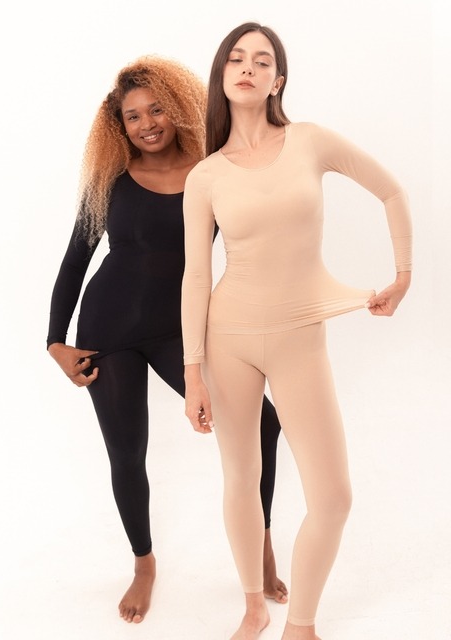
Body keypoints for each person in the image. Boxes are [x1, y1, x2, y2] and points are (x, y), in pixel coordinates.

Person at [182, 22, 412, 640]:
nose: (248, 67)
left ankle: (300, 626)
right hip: (228, 339)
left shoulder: (309, 141)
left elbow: (391, 191)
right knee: (241, 480)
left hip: (299, 337)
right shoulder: (206, 176)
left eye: (262, 61)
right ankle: (254, 607)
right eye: (237, 58)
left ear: (277, 80)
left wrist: (403, 274)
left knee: (333, 498)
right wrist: (193, 370)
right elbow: (196, 277)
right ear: (222, 75)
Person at [46, 55, 287, 625]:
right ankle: (144, 563)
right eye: (132, 117)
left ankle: (261, 546)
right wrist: (55, 341)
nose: (147, 124)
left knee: (264, 422)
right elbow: (76, 259)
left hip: (179, 329)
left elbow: (252, 244)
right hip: (108, 330)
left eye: (156, 109)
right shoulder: (110, 181)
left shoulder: (213, 170)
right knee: (128, 452)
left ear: (176, 108)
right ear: (119, 127)